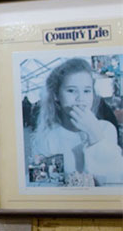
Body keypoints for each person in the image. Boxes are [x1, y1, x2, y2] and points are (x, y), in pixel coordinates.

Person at [29, 57, 123, 186]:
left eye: (86, 91)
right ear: (56, 95)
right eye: (71, 90)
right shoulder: (47, 138)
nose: (81, 98)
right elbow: (40, 184)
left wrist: (94, 133)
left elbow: (116, 179)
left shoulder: (106, 129)